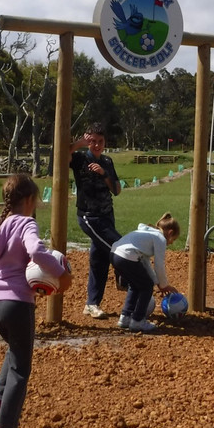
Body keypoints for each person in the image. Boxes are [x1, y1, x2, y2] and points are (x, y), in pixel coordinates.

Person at [0, 173, 70, 428]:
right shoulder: (25, 223)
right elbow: (36, 251)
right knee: (22, 367)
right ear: (30, 200)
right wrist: (61, 276)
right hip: (17, 303)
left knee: (15, 349)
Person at [69, 123, 122, 319]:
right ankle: (130, 284)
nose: (97, 145)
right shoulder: (80, 158)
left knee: (99, 260)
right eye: (93, 141)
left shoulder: (107, 161)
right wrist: (78, 143)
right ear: (87, 140)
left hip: (107, 215)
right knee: (120, 248)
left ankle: (92, 304)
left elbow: (116, 190)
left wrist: (104, 174)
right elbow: (61, 154)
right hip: (89, 216)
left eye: (100, 142)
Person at [111, 213, 181, 333]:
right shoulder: (160, 238)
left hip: (115, 255)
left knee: (136, 285)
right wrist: (163, 285)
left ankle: (125, 318)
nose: (172, 243)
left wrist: (158, 283)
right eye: (173, 239)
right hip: (127, 256)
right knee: (146, 287)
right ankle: (138, 321)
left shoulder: (149, 234)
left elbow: (146, 263)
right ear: (170, 232)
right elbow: (159, 264)